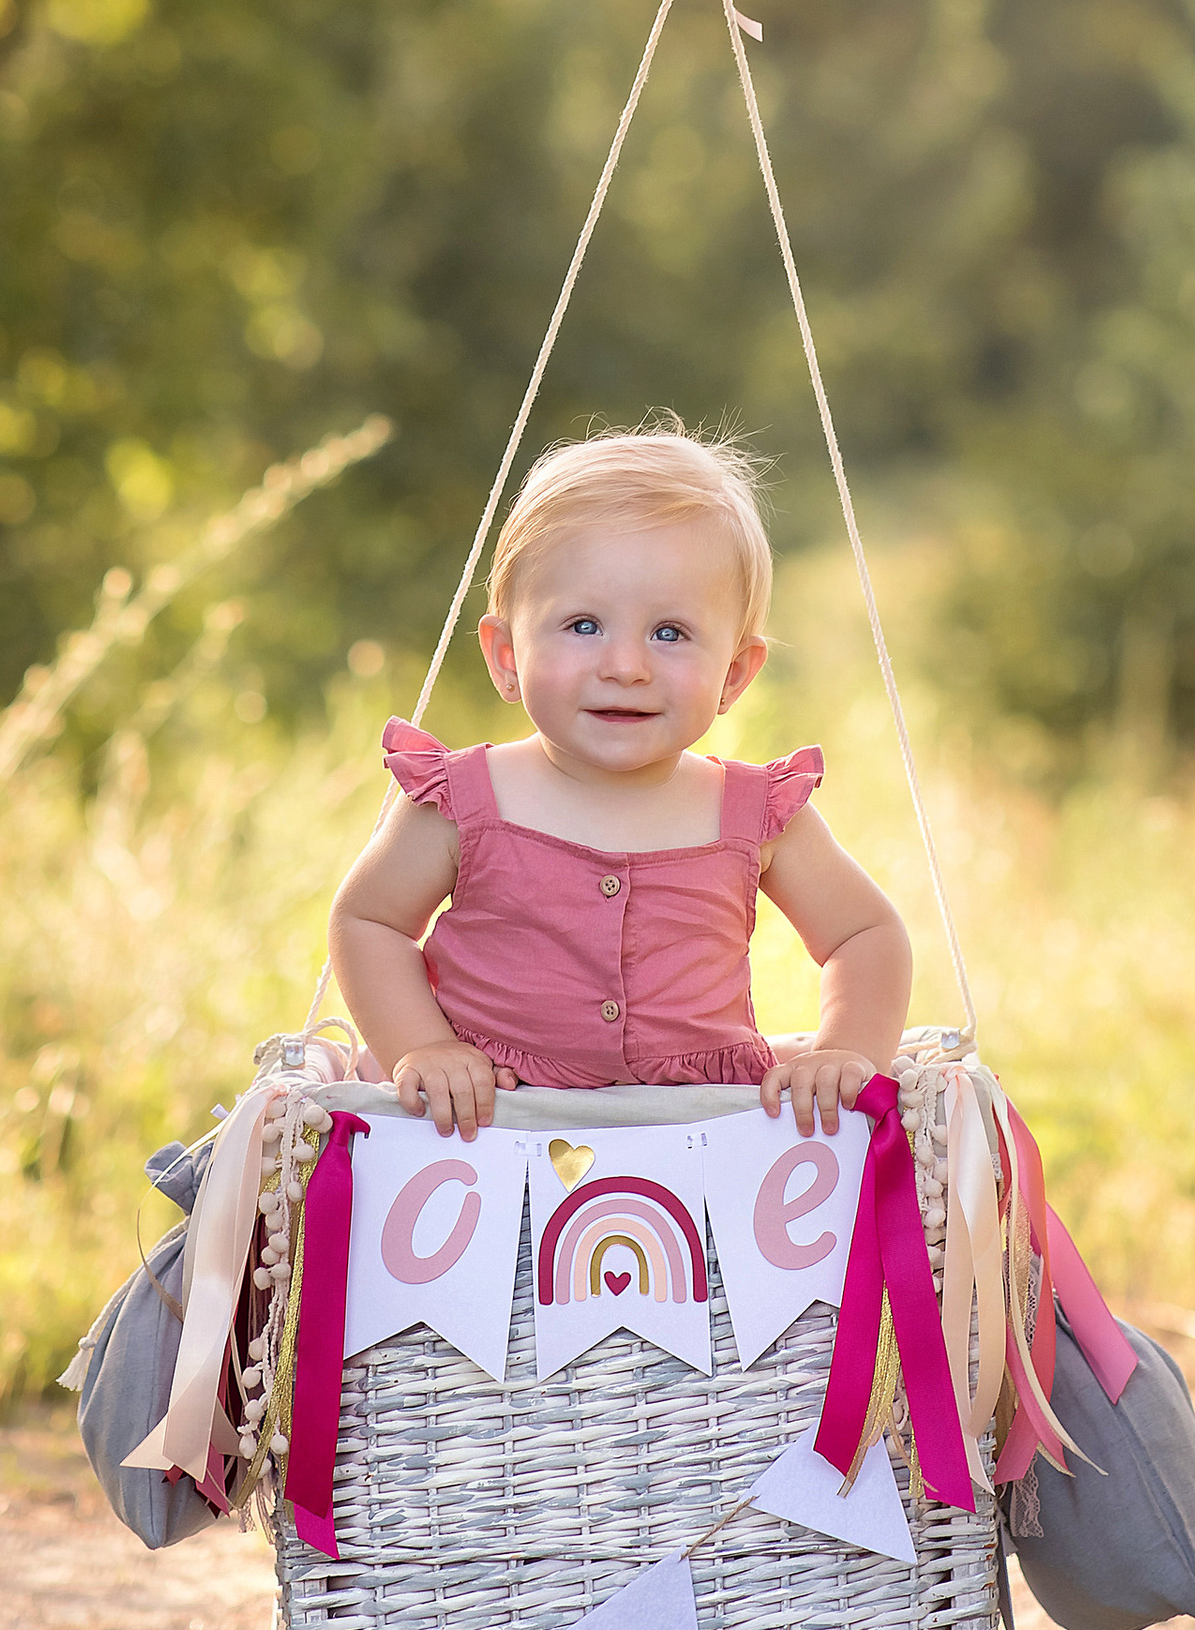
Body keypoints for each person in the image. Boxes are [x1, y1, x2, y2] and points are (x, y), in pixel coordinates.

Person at [330, 425, 912, 1142]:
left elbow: (864, 933)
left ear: (734, 674)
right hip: (492, 1139)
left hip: (703, 1151)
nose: (626, 667)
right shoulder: (461, 802)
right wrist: (422, 1047)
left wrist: (845, 1050)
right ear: (507, 655)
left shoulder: (756, 815)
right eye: (583, 625)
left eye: (670, 633)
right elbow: (370, 922)